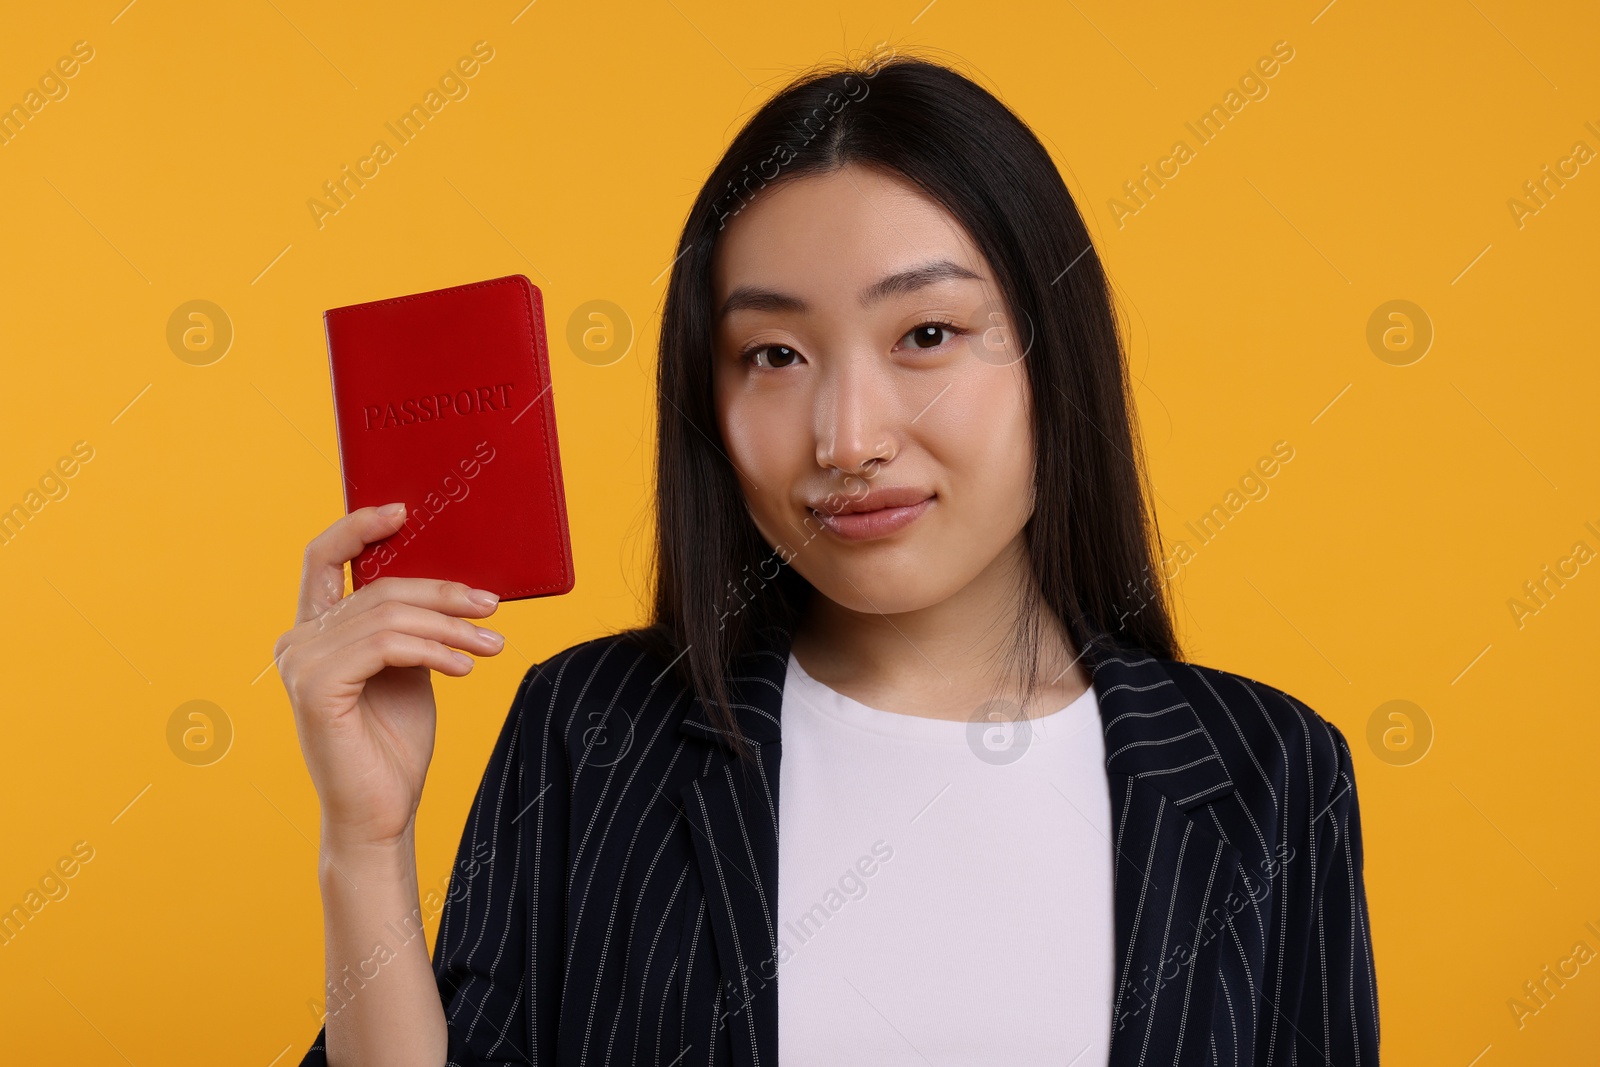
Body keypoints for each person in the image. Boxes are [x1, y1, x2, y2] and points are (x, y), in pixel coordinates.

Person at [277, 50, 1378, 1067]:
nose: (847, 438)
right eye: (774, 354)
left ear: (1055, 351)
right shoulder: (595, 733)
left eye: (927, 335)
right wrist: (364, 845)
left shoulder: (1269, 775)